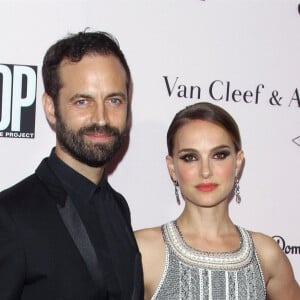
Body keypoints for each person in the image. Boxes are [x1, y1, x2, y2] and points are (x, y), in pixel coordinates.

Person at [0, 31, 143, 300]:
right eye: (82, 101)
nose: (101, 118)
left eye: (114, 100)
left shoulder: (118, 206)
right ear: (51, 108)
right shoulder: (9, 216)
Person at [135, 102, 300, 300]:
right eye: (190, 157)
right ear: (172, 167)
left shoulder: (266, 254)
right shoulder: (143, 250)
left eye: (219, 155)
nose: (206, 171)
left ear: (238, 162)